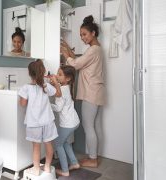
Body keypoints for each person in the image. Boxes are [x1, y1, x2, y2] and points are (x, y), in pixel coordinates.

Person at [60, 15, 106, 168]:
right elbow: (79, 59)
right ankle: (94, 156)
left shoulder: (93, 50)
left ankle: (92, 159)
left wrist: (66, 56)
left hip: (90, 93)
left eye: (84, 34)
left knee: (88, 126)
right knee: (95, 125)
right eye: (80, 35)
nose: (82, 37)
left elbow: (76, 64)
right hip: (96, 92)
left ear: (93, 33)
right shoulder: (95, 49)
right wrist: (67, 47)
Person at [18, 59, 61, 175]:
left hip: (34, 123)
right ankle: (47, 167)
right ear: (42, 72)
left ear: (29, 73)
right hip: (48, 121)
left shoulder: (26, 88)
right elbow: (58, 94)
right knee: (48, 144)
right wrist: (55, 82)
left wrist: (23, 99)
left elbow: (22, 104)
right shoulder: (45, 86)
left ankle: (36, 169)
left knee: (36, 147)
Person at [49, 65, 81, 176]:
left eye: (60, 74)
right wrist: (56, 84)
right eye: (57, 73)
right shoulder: (66, 87)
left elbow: (58, 108)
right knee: (66, 142)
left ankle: (65, 171)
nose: (57, 76)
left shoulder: (61, 91)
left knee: (58, 144)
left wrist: (47, 104)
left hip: (67, 124)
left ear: (68, 79)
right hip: (74, 122)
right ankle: (74, 163)